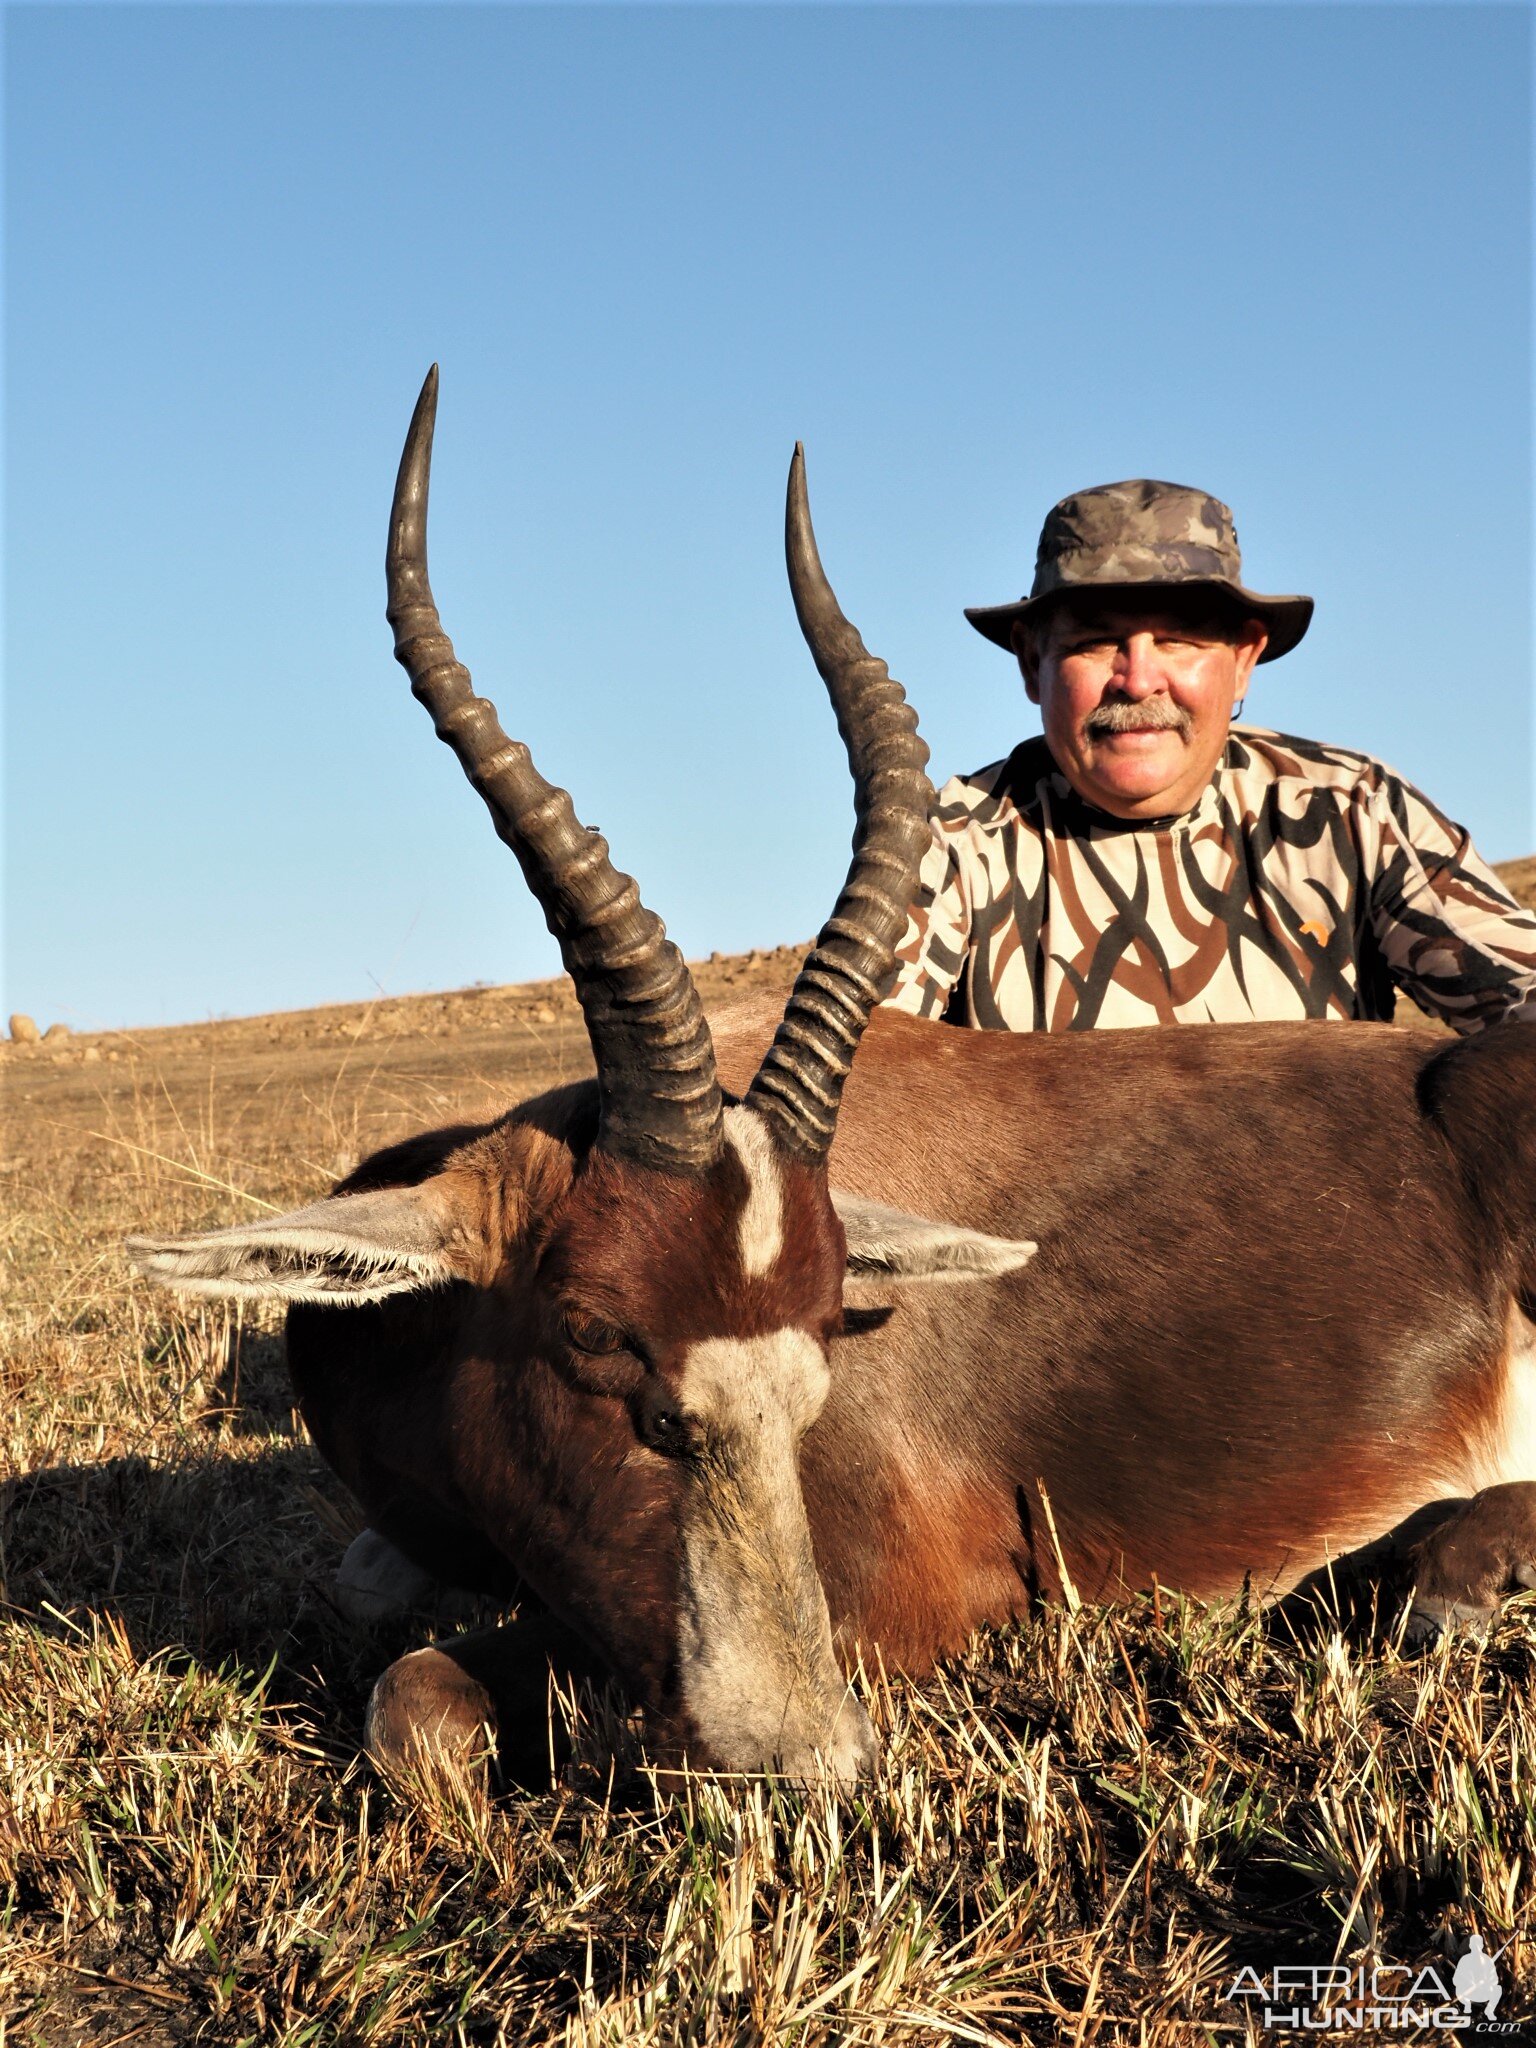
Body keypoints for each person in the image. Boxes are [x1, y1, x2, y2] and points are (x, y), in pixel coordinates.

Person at [884, 478, 1536, 1033]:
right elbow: (858, 1077)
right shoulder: (948, 841)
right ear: (1033, 663)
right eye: (1095, 642)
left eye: (1177, 641)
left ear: (1245, 659)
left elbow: (1522, 1009)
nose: (1138, 681)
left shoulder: (1354, 812)